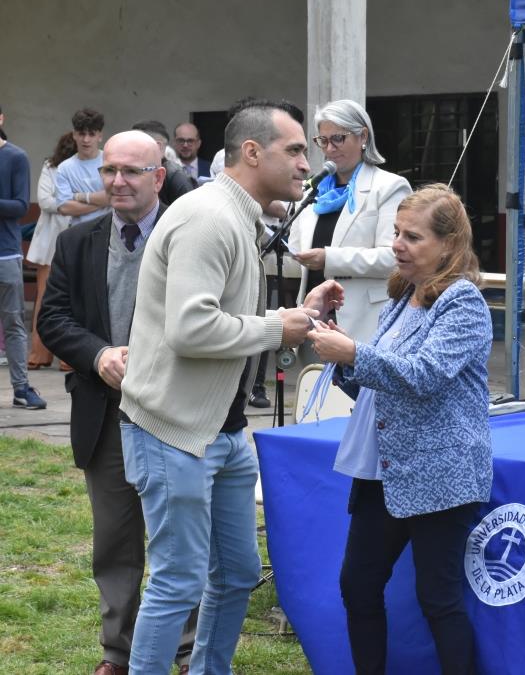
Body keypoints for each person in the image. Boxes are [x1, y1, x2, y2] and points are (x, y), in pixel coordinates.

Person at [117, 104, 342, 673]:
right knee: (178, 581)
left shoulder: (241, 217)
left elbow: (225, 314)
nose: (306, 163)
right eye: (294, 150)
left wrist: (296, 314)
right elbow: (191, 328)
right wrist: (276, 328)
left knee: (238, 572)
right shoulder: (210, 218)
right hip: (174, 431)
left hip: (224, 432)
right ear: (251, 152)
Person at [307, 183, 491, 675]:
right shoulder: (403, 297)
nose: (397, 245)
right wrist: (340, 349)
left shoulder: (463, 301)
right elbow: (379, 386)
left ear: (449, 246)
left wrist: (354, 354)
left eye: (413, 237)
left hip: (440, 475)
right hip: (382, 469)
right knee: (357, 586)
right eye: (396, 233)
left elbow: (424, 375)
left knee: (439, 600)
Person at [37, 130, 197, 675]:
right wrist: (98, 354)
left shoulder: (190, 235)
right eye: (109, 171)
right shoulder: (79, 240)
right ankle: (119, 652)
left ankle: (184, 648)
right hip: (105, 413)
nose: (117, 181)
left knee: (179, 537)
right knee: (115, 540)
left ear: (158, 176)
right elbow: (54, 319)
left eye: (131, 171)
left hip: (175, 414)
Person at [290, 98, 411, 346]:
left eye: (338, 138)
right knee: (310, 385)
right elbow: (294, 255)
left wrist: (329, 258)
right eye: (323, 141)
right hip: (315, 319)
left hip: (365, 321)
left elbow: (395, 259)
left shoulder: (389, 187)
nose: (330, 148)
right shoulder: (311, 191)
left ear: (363, 136)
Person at [0, 104, 46, 409]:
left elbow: (19, 206)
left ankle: (21, 388)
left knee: (14, 322)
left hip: (5, 253)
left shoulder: (15, 156)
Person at [26, 131, 76, 369]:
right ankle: (39, 354)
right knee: (45, 300)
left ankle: (69, 356)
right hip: (50, 243)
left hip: (75, 239)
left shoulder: (89, 167)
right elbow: (45, 201)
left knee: (76, 301)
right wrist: (81, 203)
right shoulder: (50, 167)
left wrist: (68, 202)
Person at [56, 108, 109, 225]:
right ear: (74, 135)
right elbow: (64, 208)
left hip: (109, 232)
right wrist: (102, 202)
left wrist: (78, 196)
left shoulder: (110, 161)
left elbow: (112, 197)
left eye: (91, 134)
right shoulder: (64, 168)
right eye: (82, 134)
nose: (86, 139)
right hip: (78, 234)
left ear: (100, 136)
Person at [131, 120, 196, 205]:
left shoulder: (175, 175)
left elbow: (189, 212)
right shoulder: (137, 171)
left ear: (157, 146)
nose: (130, 147)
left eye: (135, 143)